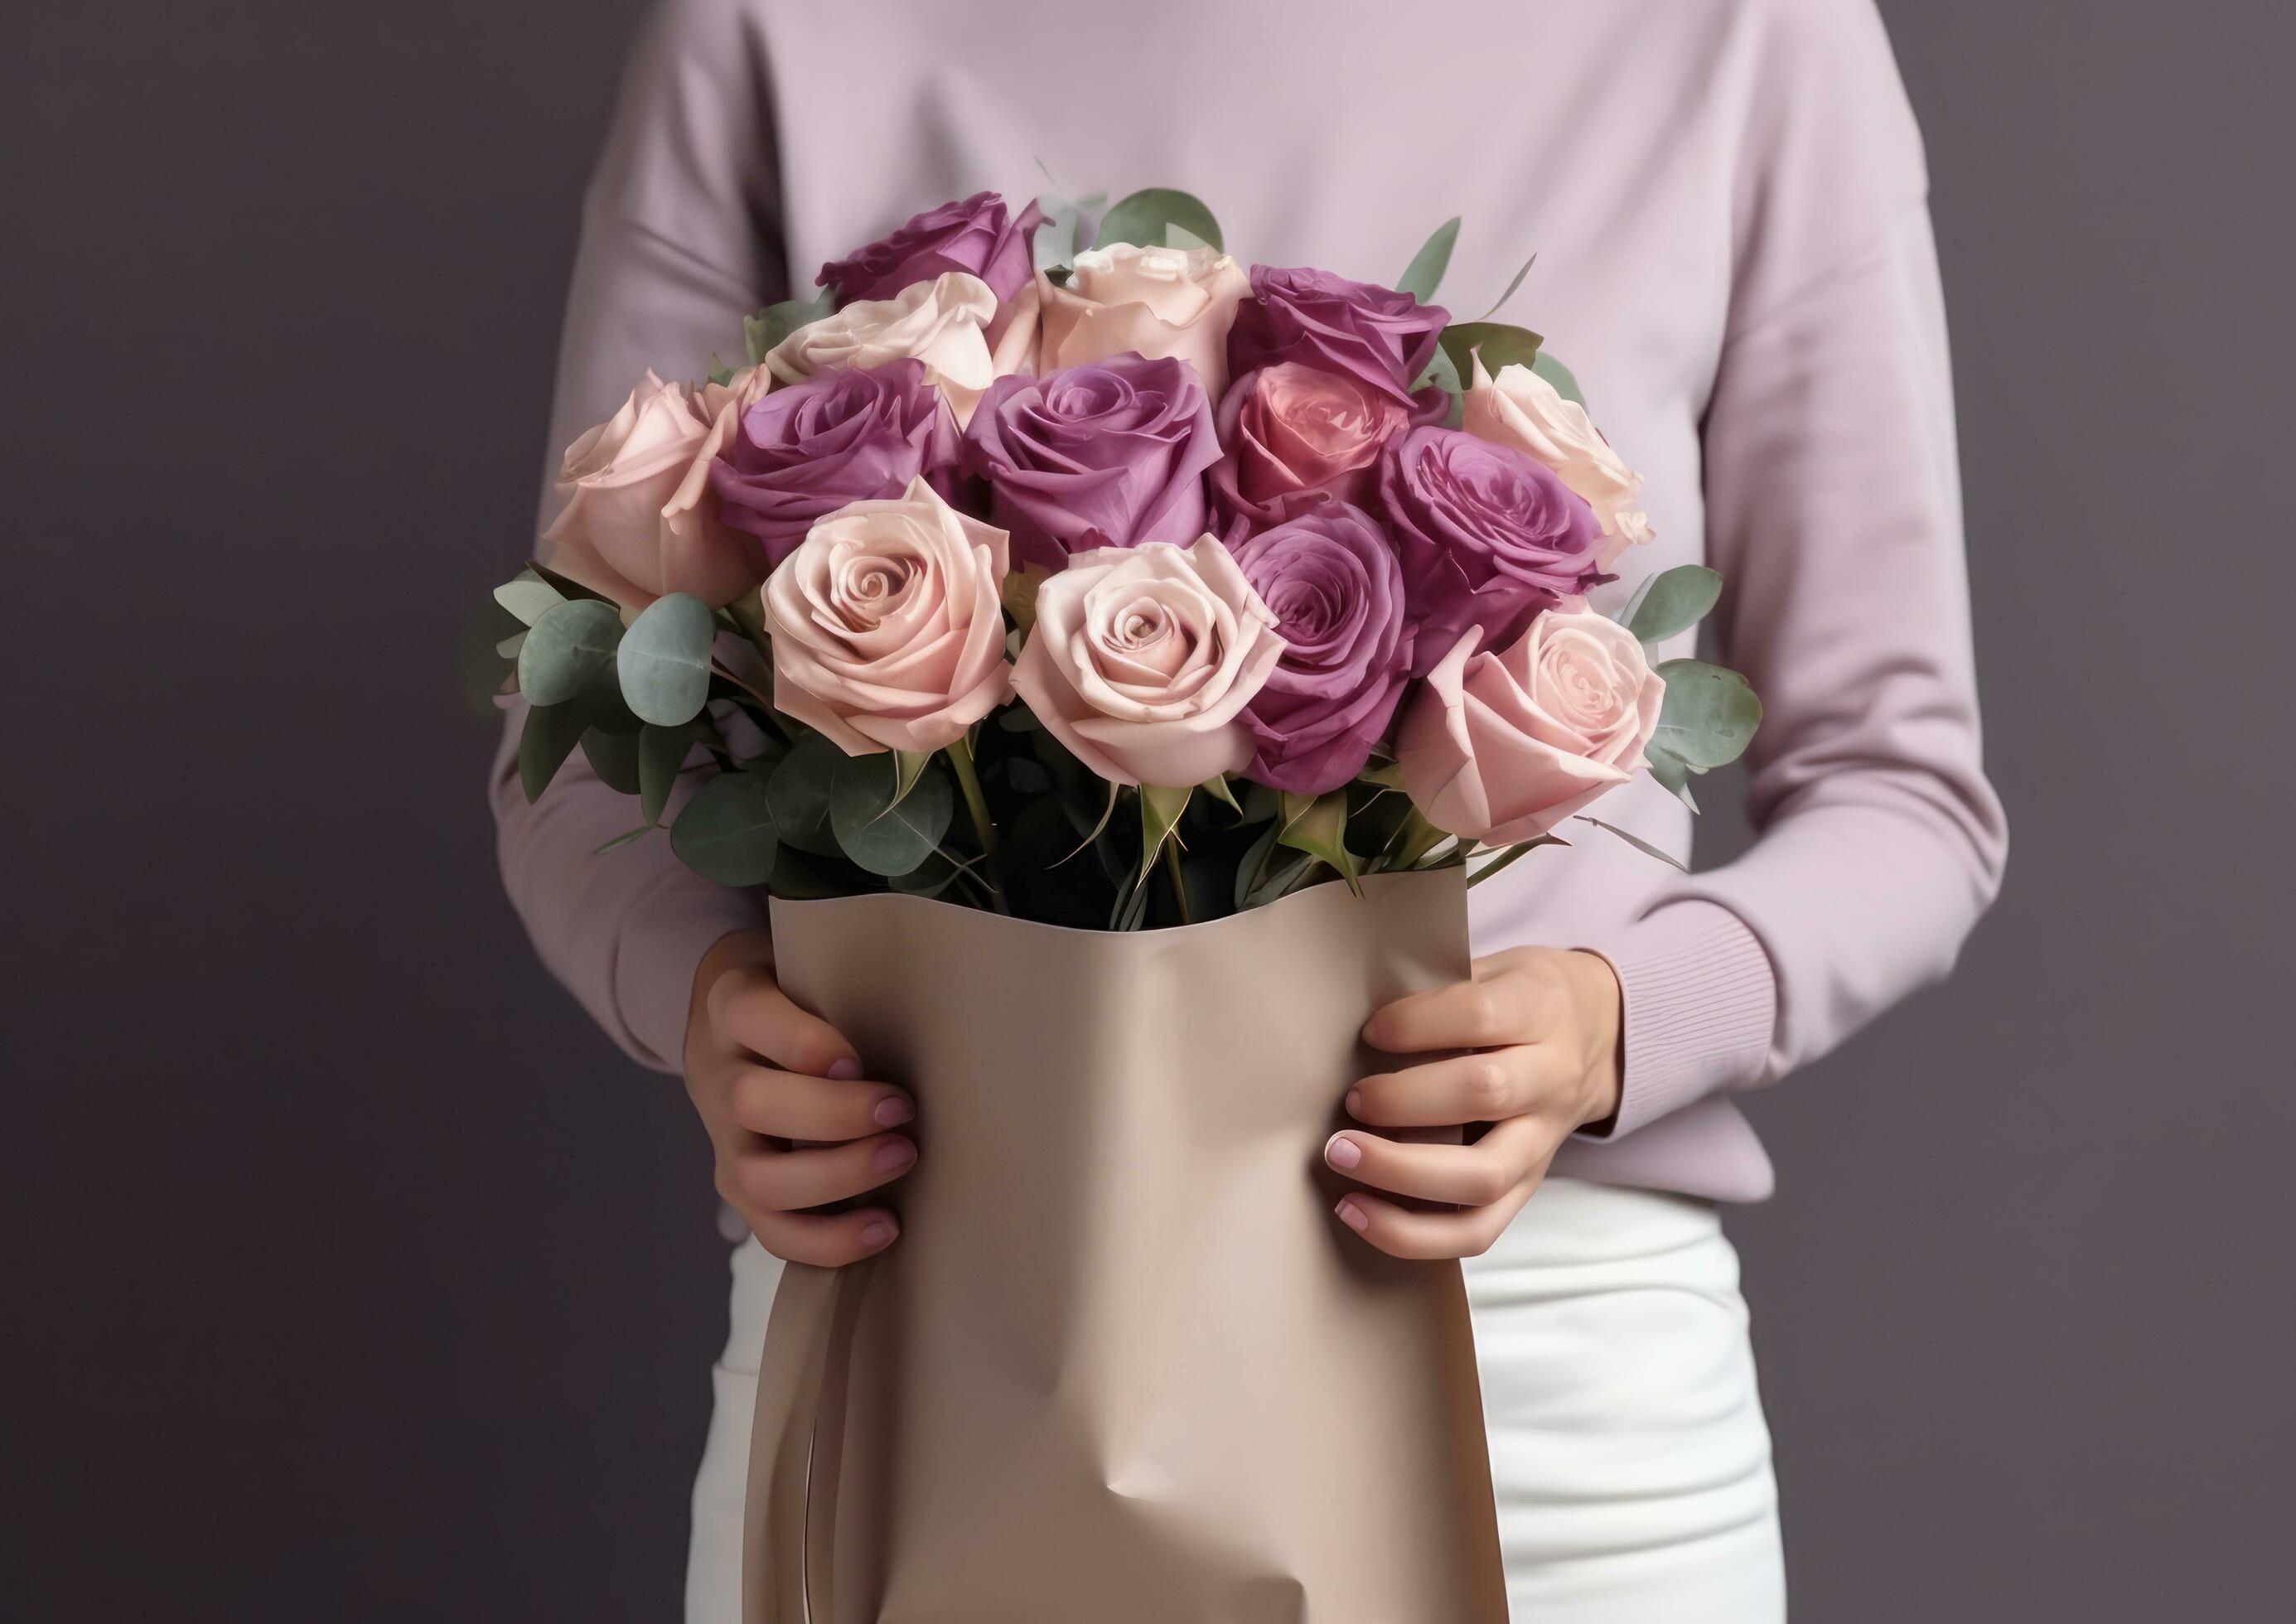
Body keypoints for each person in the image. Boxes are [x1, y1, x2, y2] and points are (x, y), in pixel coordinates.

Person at [493, 1, 2008, 1617]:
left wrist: (1612, 1023)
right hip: (944, 1342)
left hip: (1542, 1389)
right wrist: (713, 1007)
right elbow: (579, 730)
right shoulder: (773, 28)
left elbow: (1904, 784)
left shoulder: (1746, 33)